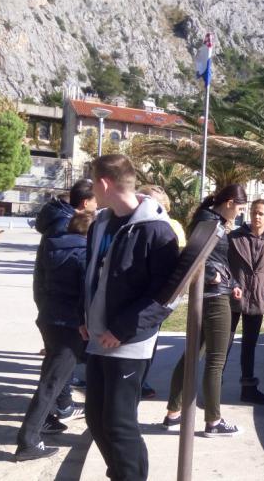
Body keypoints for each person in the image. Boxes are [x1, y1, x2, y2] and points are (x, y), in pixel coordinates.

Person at [81, 154, 179, 481]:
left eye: (94, 183)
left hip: (129, 341)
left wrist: (122, 330)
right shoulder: (101, 223)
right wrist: (84, 316)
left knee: (119, 423)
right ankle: (123, 474)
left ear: (104, 183)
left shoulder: (157, 230)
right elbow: (92, 276)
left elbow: (167, 295)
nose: (92, 190)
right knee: (96, 419)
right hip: (98, 336)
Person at [163, 184, 247, 437]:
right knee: (216, 359)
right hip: (214, 297)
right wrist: (213, 276)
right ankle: (213, 421)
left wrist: (231, 282)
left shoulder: (209, 219)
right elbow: (195, 255)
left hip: (212, 293)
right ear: (230, 203)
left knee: (191, 355)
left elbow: (215, 259)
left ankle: (173, 413)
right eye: (240, 208)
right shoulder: (209, 222)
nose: (240, 213)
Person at [15, 211, 94, 461]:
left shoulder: (54, 247)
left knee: (50, 377)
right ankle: (28, 441)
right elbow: (86, 295)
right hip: (69, 325)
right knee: (51, 383)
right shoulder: (83, 254)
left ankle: (46, 421)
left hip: (49, 319)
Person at [31, 179, 97, 430]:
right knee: (55, 372)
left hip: (52, 304)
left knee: (55, 368)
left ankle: (56, 410)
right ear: (85, 203)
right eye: (96, 201)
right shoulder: (66, 225)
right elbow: (66, 268)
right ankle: (52, 415)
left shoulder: (59, 218)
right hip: (61, 309)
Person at [226, 199, 264, 405]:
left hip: (257, 301)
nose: (256, 216)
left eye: (261, 213)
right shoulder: (234, 238)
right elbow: (223, 265)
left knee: (249, 347)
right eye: (253, 212)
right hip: (232, 300)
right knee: (223, 346)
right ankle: (213, 388)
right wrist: (229, 286)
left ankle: (248, 390)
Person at [136, 184, 187, 399]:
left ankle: (140, 380)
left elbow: (179, 261)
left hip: (151, 298)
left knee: (147, 341)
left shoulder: (170, 226)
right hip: (135, 294)